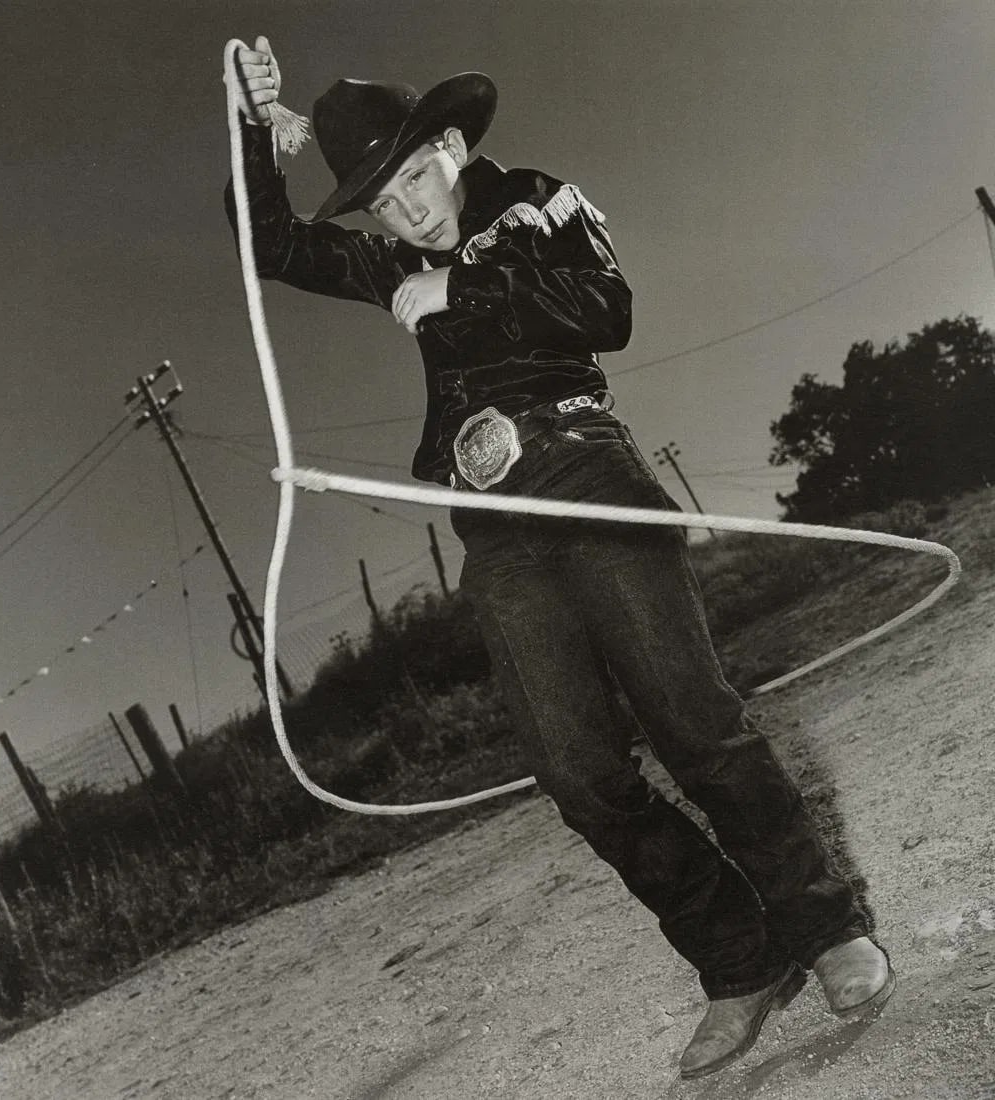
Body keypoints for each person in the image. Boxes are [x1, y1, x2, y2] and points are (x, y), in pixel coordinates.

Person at [223, 37, 895, 1078]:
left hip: (586, 478)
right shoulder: (393, 260)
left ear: (450, 144)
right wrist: (250, 130)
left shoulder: (534, 202)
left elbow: (605, 310)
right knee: (575, 772)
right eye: (381, 198)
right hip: (493, 528)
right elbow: (270, 244)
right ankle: (738, 958)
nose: (402, 210)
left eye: (411, 176)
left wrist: (462, 298)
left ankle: (825, 927)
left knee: (694, 724)